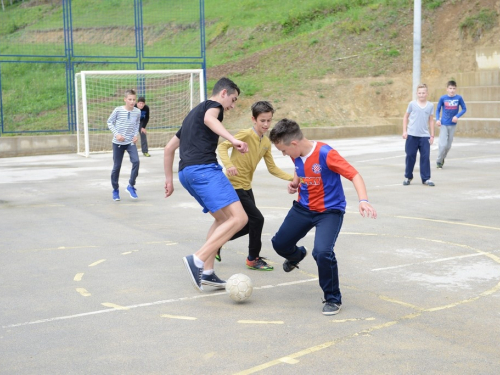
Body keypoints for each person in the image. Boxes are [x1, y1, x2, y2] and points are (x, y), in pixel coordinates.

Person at [269, 119, 377, 316]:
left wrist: (363, 200)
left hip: (329, 211)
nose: (283, 155)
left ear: (293, 143)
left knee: (322, 252)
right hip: (303, 208)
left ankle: (333, 298)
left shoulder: (326, 154)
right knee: (279, 244)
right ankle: (296, 255)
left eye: (283, 151)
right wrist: (295, 183)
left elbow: (354, 175)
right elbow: (299, 166)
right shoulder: (296, 153)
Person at [163, 77, 249, 292]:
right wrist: (233, 140)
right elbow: (212, 119)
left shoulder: (192, 115)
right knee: (240, 218)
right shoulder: (214, 107)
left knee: (222, 219)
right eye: (233, 99)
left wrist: (169, 179)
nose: (232, 105)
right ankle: (198, 259)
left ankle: (208, 272)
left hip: (187, 173)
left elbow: (169, 148)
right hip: (204, 170)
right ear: (223, 93)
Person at [217, 101, 293, 271]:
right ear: (254, 119)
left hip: (246, 186)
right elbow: (222, 147)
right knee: (257, 219)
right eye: (262, 121)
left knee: (249, 224)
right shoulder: (245, 134)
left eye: (269, 120)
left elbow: (272, 168)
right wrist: (229, 165)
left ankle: (217, 243)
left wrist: (293, 178)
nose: (266, 124)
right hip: (234, 185)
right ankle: (253, 259)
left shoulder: (265, 142)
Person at [107, 89, 141, 201]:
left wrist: (136, 135)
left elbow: (137, 124)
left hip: (130, 142)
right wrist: (116, 134)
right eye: (130, 99)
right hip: (118, 143)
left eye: (134, 99)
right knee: (117, 167)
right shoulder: (118, 110)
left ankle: (131, 185)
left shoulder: (137, 112)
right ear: (125, 99)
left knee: (136, 161)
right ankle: (115, 189)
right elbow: (109, 122)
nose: (132, 102)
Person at [402, 83, 435, 187]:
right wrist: (404, 131)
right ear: (417, 93)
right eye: (419, 93)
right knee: (410, 156)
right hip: (411, 135)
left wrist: (432, 135)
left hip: (424, 136)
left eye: (423, 93)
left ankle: (426, 178)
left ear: (427, 93)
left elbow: (431, 121)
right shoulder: (412, 104)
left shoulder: (430, 105)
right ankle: (408, 176)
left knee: (425, 157)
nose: (421, 95)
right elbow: (405, 117)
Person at [435, 80, 467, 169]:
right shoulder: (443, 98)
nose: (452, 90)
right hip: (444, 124)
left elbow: (464, 109)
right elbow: (437, 110)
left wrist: (457, 116)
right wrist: (437, 119)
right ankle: (438, 161)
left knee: (448, 146)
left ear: (456, 89)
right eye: (450, 88)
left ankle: (442, 159)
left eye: (453, 88)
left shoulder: (459, 98)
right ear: (447, 89)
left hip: (452, 124)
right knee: (443, 145)